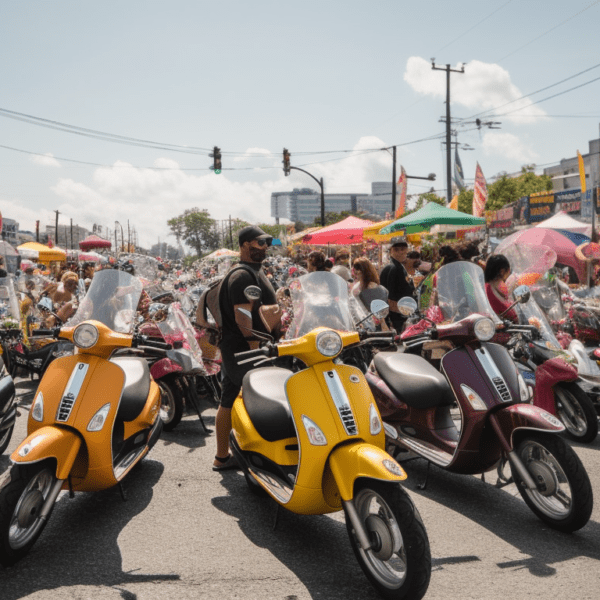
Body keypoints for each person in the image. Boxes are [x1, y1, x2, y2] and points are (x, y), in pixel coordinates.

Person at [214, 226, 277, 471]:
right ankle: (260, 459)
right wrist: (257, 348)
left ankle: (221, 457)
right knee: (259, 401)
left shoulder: (253, 272)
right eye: (260, 242)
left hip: (238, 350)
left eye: (267, 242)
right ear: (244, 245)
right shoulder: (242, 276)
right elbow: (243, 318)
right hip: (248, 350)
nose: (265, 247)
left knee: (228, 400)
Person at [379, 239, 414, 331]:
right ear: (391, 251)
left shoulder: (395, 265)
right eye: (397, 249)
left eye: (403, 249)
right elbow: (390, 297)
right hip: (397, 316)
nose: (401, 252)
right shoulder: (395, 268)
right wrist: (404, 313)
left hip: (396, 313)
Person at [351, 257, 389, 330]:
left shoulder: (356, 290)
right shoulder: (381, 289)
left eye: (357, 269)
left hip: (365, 326)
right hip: (380, 326)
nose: (356, 272)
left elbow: (355, 311)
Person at [484, 254, 517, 322]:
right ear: (502, 271)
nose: (509, 272)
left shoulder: (497, 284)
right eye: (508, 270)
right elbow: (506, 311)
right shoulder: (489, 289)